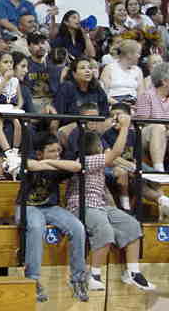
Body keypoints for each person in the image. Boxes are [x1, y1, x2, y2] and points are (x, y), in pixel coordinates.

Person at [67, 121, 155, 292]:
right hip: (82, 206)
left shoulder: (97, 162)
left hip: (100, 206)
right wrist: (125, 127)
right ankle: (93, 275)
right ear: (96, 147)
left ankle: (132, 273)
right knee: (105, 231)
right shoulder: (85, 160)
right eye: (101, 145)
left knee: (132, 224)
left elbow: (114, 166)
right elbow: (116, 153)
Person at [16, 132, 87, 302]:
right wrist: (50, 164)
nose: (57, 154)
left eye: (58, 151)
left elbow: (77, 166)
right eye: (51, 151)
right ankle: (32, 279)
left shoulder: (55, 163)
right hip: (27, 207)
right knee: (36, 227)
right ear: (39, 153)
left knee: (77, 227)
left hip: (51, 208)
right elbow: (30, 165)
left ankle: (77, 279)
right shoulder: (31, 159)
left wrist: (49, 162)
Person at [135, 62, 169, 172]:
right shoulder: (147, 95)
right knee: (158, 127)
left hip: (166, 133)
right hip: (145, 135)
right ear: (165, 81)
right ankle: (159, 170)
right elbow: (141, 122)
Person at [54, 55, 109, 120]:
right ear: (74, 74)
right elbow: (58, 114)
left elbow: (105, 113)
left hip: (95, 124)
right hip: (72, 124)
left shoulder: (97, 88)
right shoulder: (67, 87)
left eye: (90, 68)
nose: (87, 70)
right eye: (82, 68)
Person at [100, 39, 144, 105]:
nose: (139, 56)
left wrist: (137, 105)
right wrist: (119, 104)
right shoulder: (109, 68)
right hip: (114, 103)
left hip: (134, 103)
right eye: (138, 53)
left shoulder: (138, 70)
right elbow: (103, 93)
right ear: (129, 54)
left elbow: (141, 94)